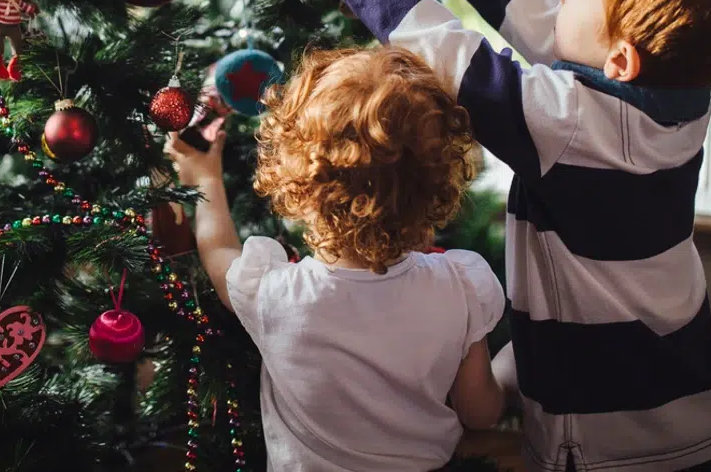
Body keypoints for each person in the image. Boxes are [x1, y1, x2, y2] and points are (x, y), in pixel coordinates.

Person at [253, 0, 711, 472]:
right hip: (709, 421)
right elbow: (539, 18)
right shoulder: (674, 96)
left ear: (622, 59)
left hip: (631, 450)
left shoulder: (573, 128)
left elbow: (444, 50)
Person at [166, 46, 506, 472]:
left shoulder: (276, 295)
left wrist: (205, 176)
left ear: (300, 185)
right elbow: (480, 412)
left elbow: (217, 249)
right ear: (435, 186)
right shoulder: (461, 286)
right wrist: (509, 374)